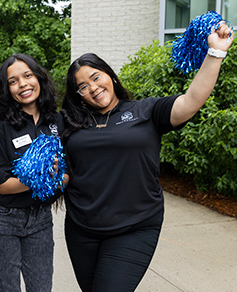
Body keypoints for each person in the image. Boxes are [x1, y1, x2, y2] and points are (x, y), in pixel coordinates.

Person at [60, 24, 234, 291]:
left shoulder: (146, 111)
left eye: (96, 77)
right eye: (82, 86)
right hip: (82, 229)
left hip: (134, 227)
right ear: (78, 96)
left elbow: (191, 101)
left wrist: (215, 53)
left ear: (110, 75)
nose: (93, 88)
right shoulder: (70, 123)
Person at [0, 53, 69, 292]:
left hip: (40, 217)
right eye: (13, 81)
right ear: (7, 89)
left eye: (28, 76)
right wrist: (43, 176)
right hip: (2, 218)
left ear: (39, 77)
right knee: (6, 288)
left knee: (41, 288)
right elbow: (2, 183)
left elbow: (66, 174)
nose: (23, 84)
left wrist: (55, 179)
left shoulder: (56, 120)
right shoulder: (0, 124)